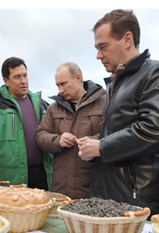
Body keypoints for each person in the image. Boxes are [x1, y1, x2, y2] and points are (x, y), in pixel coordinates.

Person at [77, 9, 159, 216]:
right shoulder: (116, 83)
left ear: (127, 39)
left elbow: (157, 128)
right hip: (109, 192)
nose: (98, 55)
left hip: (136, 197)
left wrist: (102, 147)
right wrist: (93, 144)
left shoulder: (158, 73)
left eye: (103, 47)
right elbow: (120, 129)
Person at [0, 57, 52, 190]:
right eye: (17, 77)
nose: (24, 81)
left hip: (42, 176)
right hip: (7, 178)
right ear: (6, 80)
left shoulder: (41, 104)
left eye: (25, 76)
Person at [35, 62, 106, 199]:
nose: (60, 90)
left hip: (94, 188)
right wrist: (57, 140)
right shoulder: (53, 108)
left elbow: (114, 134)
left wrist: (94, 142)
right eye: (58, 85)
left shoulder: (105, 103)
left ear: (78, 78)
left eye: (64, 84)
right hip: (61, 189)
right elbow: (39, 135)